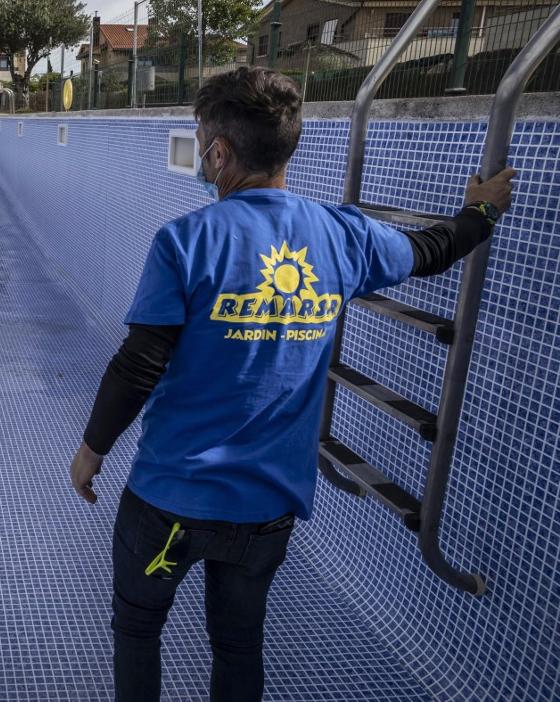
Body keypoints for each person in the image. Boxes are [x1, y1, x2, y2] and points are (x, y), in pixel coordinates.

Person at [68, 66, 515, 702]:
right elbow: (434, 248)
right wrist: (482, 208)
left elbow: (140, 362)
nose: (201, 156)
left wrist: (91, 453)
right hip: (266, 511)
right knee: (238, 646)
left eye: (202, 143)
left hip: (171, 502)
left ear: (219, 152)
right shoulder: (342, 234)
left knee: (138, 630)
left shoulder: (186, 242)